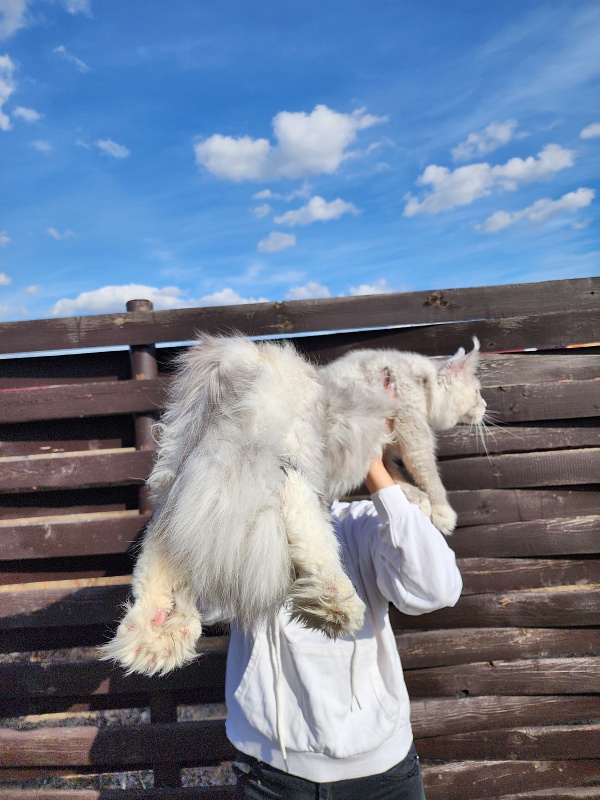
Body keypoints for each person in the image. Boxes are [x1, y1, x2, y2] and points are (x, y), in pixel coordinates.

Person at [224, 455, 463, 800]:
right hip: (272, 774)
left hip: (384, 776)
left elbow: (437, 589)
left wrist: (371, 463)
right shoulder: (246, 534)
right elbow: (211, 604)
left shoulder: (360, 523)